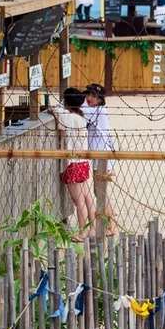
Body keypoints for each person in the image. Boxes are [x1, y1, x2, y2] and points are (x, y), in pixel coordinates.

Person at [51, 87, 95, 239]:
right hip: (82, 161)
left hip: (73, 162)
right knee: (87, 196)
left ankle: (81, 233)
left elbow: (57, 110)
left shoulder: (68, 117)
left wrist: (56, 107)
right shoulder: (80, 117)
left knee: (79, 200)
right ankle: (93, 228)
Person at [81, 83, 117, 236]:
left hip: (102, 154)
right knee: (99, 190)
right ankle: (110, 224)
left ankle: (110, 225)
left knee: (100, 190)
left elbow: (78, 110)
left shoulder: (98, 111)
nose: (90, 98)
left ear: (101, 99)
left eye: (94, 96)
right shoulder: (95, 110)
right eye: (88, 95)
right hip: (101, 153)